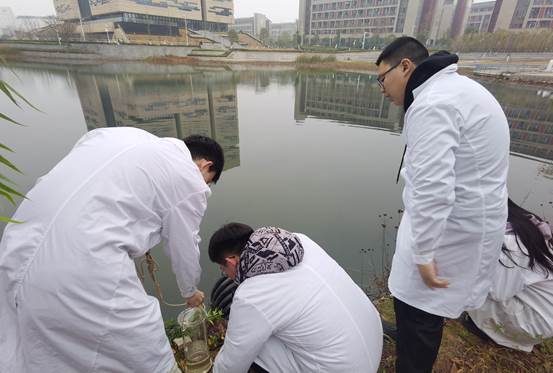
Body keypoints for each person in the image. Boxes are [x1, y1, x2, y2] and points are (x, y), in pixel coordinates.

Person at [0, 127, 224, 373]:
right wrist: (190, 291)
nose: (204, 188)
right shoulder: (188, 177)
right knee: (148, 356)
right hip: (84, 266)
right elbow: (185, 246)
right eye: (208, 182)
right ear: (206, 165)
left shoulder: (116, 135)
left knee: (36, 353)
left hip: (17, 249)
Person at [376, 37, 510, 372]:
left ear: (405, 66)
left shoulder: (433, 104)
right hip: (464, 222)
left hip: (450, 231)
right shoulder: (457, 90)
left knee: (420, 309)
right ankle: (407, 339)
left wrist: (423, 253)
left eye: (382, 78)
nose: (382, 88)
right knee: (420, 309)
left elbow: (432, 188)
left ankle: (412, 361)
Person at [208, 223, 383, 373]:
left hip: (345, 368)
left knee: (253, 345)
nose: (226, 275)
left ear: (231, 261)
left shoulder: (250, 295)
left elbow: (231, 366)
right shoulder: (300, 240)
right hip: (374, 341)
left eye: (223, 269)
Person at [466, 198, 553, 352]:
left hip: (534, 324)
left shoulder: (510, 242)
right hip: (545, 317)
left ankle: (494, 331)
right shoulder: (526, 224)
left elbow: (497, 292)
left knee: (466, 287)